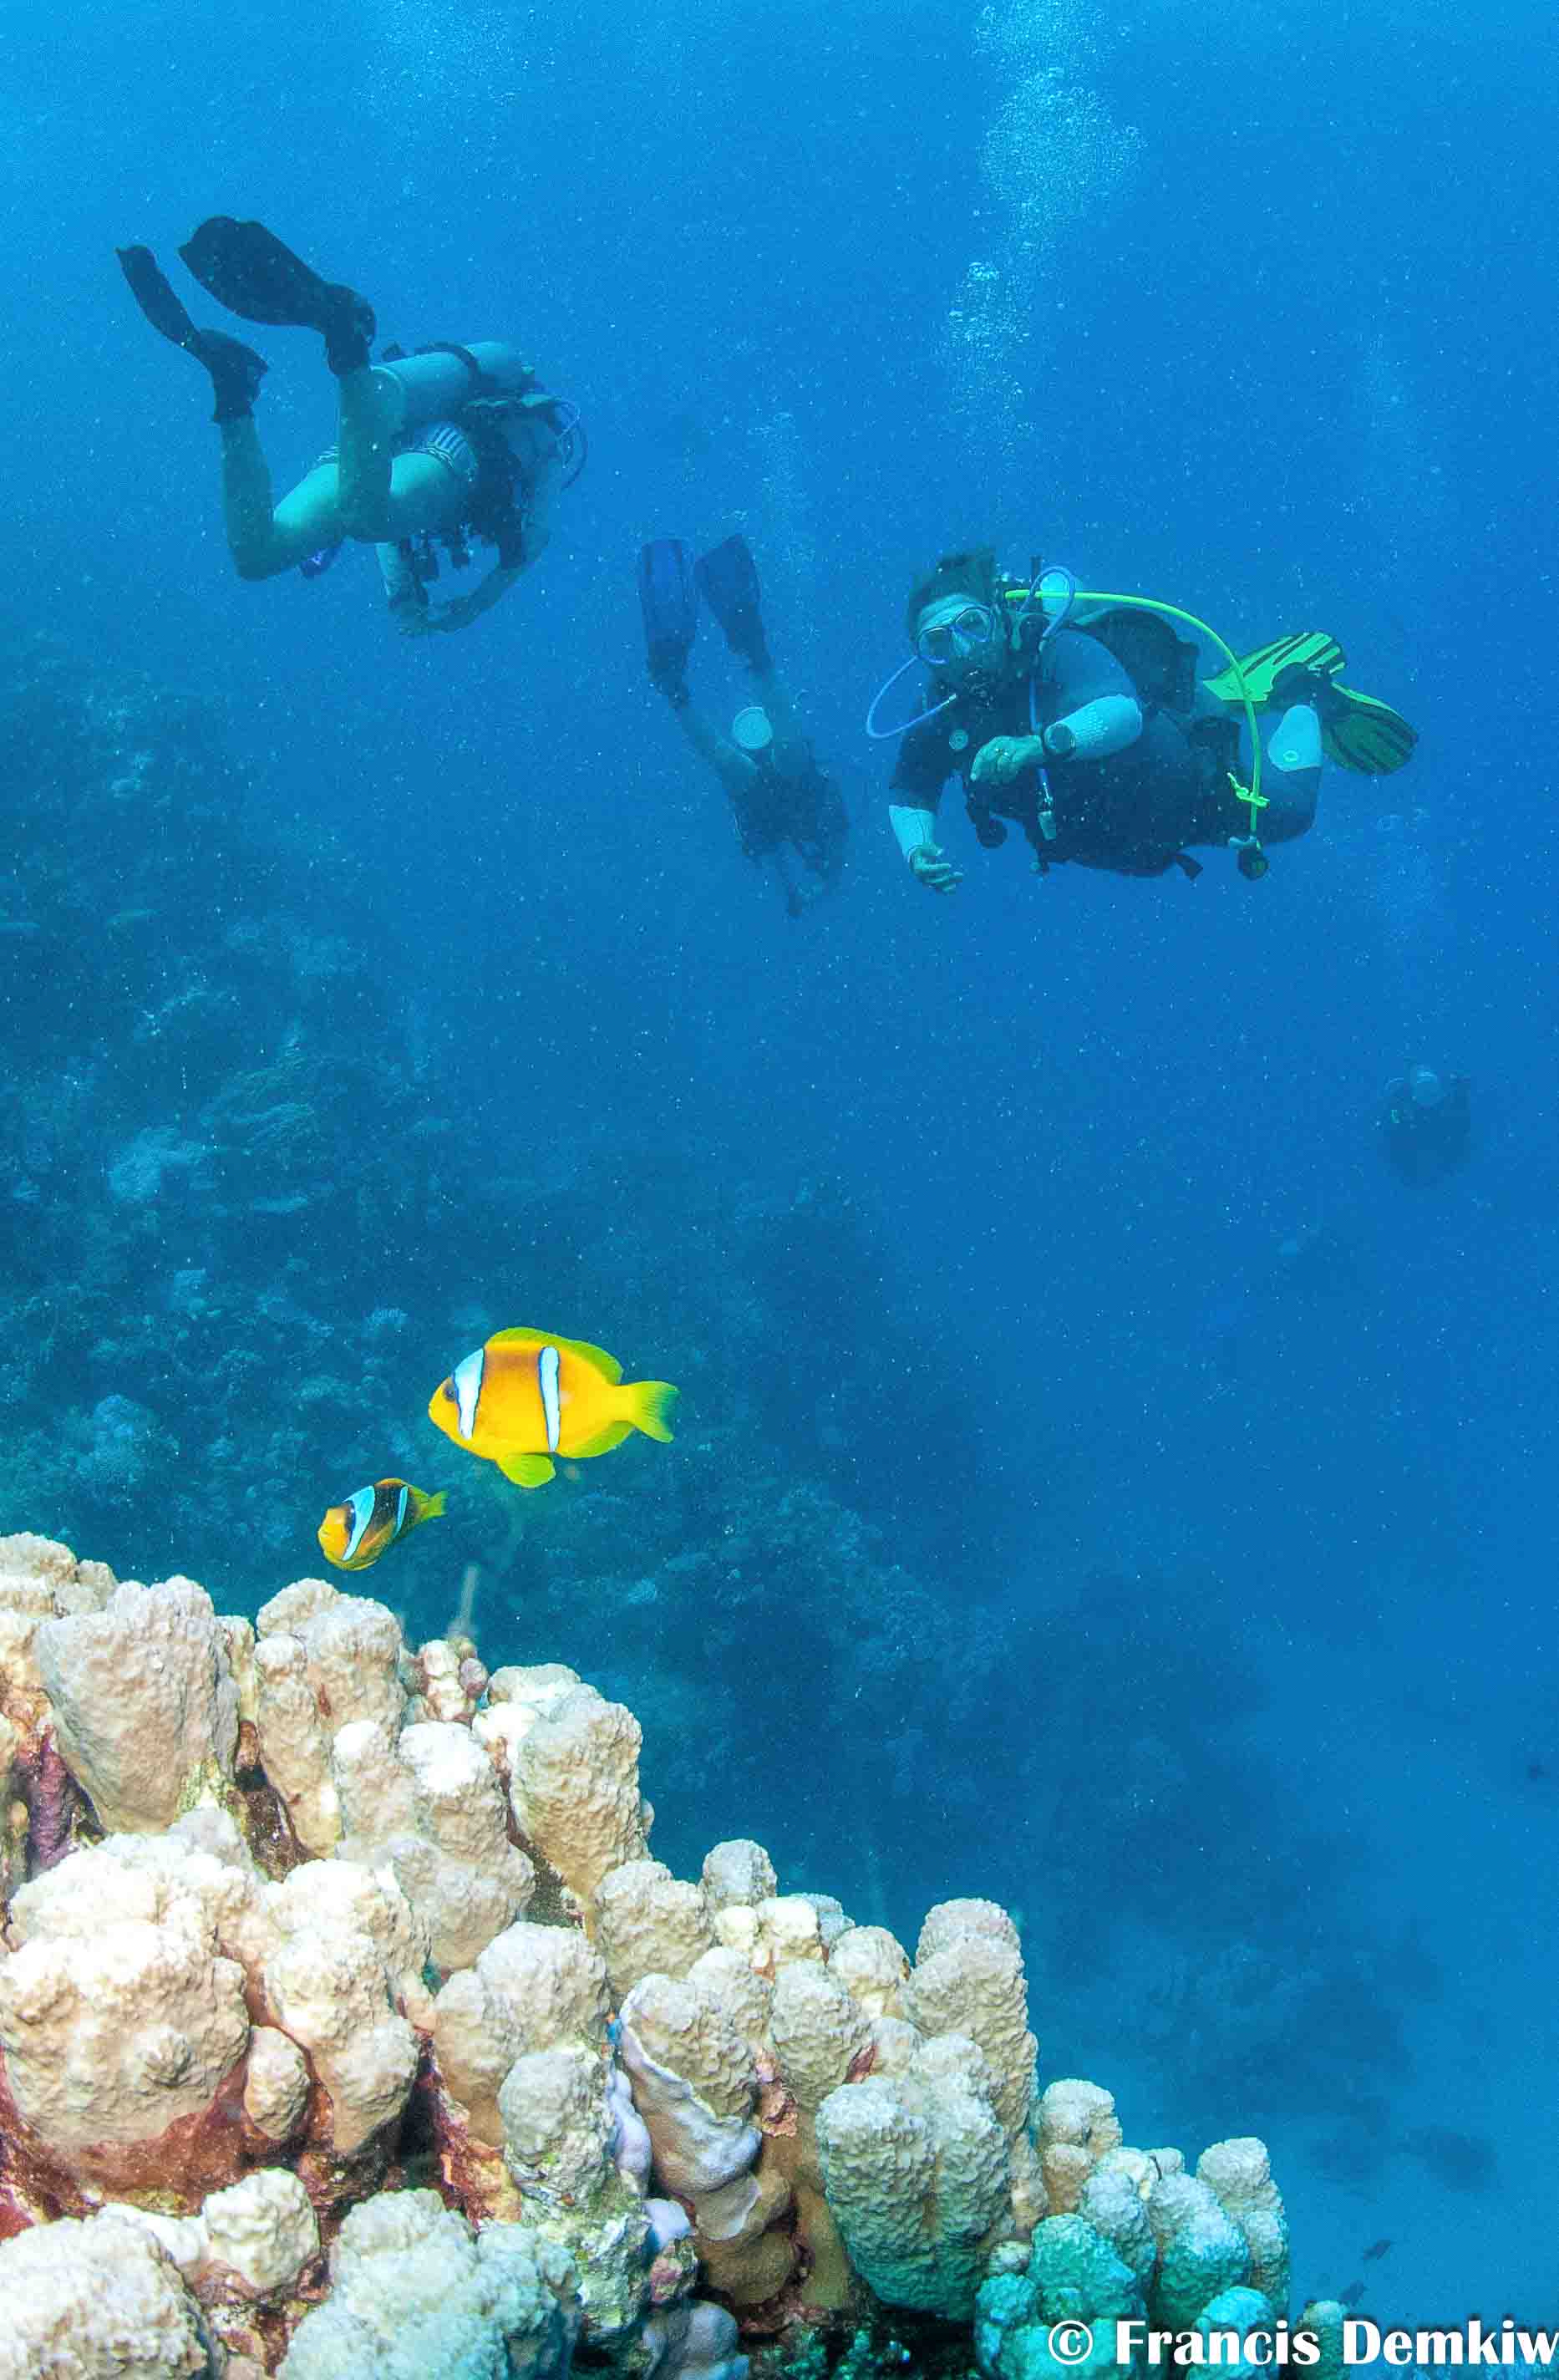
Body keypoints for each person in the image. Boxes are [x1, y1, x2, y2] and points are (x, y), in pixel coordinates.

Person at [115, 217, 583, 636]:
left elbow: (387, 524)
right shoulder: (548, 447)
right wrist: (470, 609)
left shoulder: (513, 421)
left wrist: (403, 597)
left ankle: (234, 386)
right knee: (365, 518)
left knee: (257, 555)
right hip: (444, 449)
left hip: (374, 436)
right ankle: (347, 339)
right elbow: (530, 543)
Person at [871, 550, 1417, 893]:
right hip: (1134, 837)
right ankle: (1221, 693)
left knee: (1292, 814)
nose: (962, 651)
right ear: (924, 657)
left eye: (972, 626)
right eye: (938, 643)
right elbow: (910, 787)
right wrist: (917, 849)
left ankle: (1308, 697)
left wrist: (1034, 748)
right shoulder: (939, 713)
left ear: (998, 618)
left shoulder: (1056, 653)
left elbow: (1122, 715)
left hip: (1195, 790)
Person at [638, 536, 849, 916]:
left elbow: (791, 865)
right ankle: (690, 682)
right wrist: (805, 894)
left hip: (771, 805)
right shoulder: (820, 827)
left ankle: (693, 680)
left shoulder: (798, 830)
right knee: (758, 754)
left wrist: (800, 895)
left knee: (740, 757)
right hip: (790, 798)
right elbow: (823, 867)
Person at [1379, 1065, 1471, 1184]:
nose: (1427, 1095)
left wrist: (1461, 1096)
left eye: (1431, 1090)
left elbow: (1461, 1129)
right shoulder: (1404, 1109)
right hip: (1417, 1165)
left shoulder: (1448, 1109)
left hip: (1436, 1164)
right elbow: (1393, 1133)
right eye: (1423, 1090)